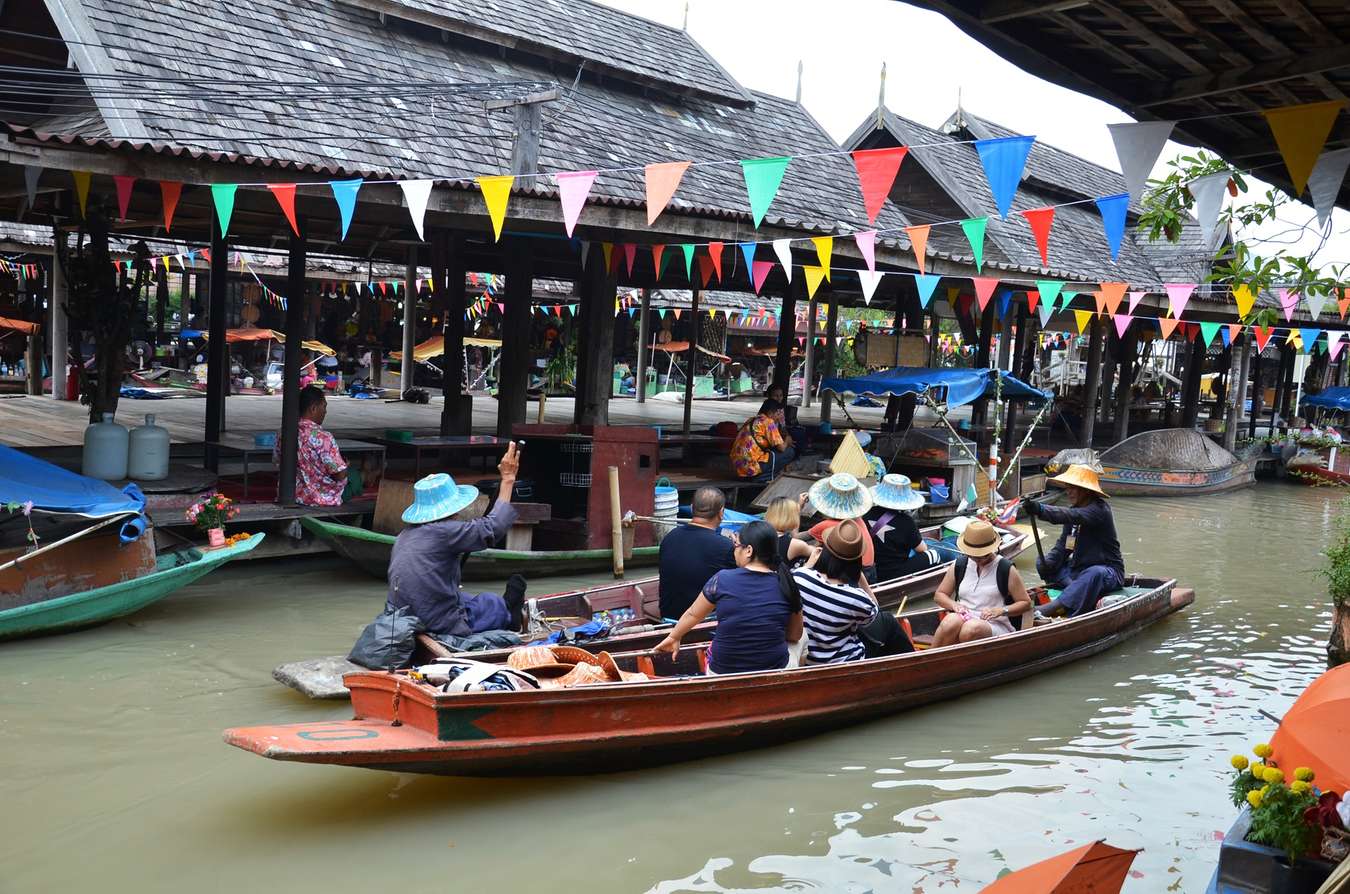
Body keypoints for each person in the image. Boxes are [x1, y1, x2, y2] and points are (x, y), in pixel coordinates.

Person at [386, 444, 528, 638]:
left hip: (400, 614)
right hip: (434, 620)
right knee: (490, 603)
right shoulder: (443, 532)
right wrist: (508, 480)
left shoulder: (405, 534)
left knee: (466, 598)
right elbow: (493, 528)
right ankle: (508, 614)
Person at [654, 520, 804, 674]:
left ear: (749, 551)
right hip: (774, 669)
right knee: (803, 637)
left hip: (721, 671)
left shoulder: (722, 579)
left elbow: (693, 613)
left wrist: (675, 636)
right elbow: (794, 636)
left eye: (736, 546)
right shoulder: (786, 583)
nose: (734, 551)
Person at [793, 521, 914, 663]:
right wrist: (860, 577)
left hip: (809, 659)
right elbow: (875, 612)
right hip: (844, 661)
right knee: (887, 620)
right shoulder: (857, 599)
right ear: (856, 561)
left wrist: (809, 564)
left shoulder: (799, 577)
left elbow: (802, 575)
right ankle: (912, 661)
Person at [1025, 464, 1125, 618]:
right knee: (1047, 562)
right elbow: (1065, 546)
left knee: (1094, 573)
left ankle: (1051, 608)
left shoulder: (1100, 510)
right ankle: (1076, 592)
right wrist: (1047, 563)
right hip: (1078, 571)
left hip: (1108, 573)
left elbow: (1072, 516)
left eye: (1073, 487)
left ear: (1086, 490)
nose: (1068, 491)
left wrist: (1041, 509)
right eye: (1067, 487)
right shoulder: (1073, 512)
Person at [931, 518, 1032, 647]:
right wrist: (954, 605)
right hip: (965, 617)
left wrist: (1001, 610)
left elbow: (1026, 603)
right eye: (973, 555)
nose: (978, 559)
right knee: (949, 621)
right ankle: (927, 661)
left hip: (996, 624)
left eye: (983, 555)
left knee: (971, 629)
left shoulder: (1005, 568)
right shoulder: (959, 564)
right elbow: (940, 595)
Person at [657, 486, 736, 619]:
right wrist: (739, 549)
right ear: (721, 512)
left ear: (692, 507)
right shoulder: (725, 546)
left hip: (669, 614)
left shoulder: (669, 537)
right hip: (703, 619)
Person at [274, 386, 348, 506]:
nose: (325, 411)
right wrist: (345, 467)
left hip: (292, 496)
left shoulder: (282, 432)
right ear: (313, 408)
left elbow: (277, 461)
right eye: (324, 406)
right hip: (320, 499)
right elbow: (339, 475)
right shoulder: (323, 437)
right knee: (354, 478)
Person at [865, 474, 949, 581]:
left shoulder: (867, 514)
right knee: (933, 555)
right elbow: (922, 549)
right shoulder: (906, 522)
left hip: (871, 571)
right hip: (895, 572)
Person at [805, 472, 877, 581]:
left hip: (856, 572)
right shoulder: (859, 520)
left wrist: (798, 507)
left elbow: (795, 537)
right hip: (870, 570)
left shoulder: (825, 525)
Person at [730, 399, 796, 480]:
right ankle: (763, 477)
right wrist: (787, 440)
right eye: (777, 414)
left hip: (737, 467)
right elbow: (781, 448)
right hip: (750, 468)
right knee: (789, 451)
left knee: (771, 452)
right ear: (770, 413)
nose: (778, 417)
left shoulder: (751, 420)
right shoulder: (768, 421)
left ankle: (762, 474)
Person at [763, 494, 814, 567]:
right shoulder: (797, 545)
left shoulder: (756, 534)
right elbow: (818, 553)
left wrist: (798, 508)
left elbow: (794, 536)